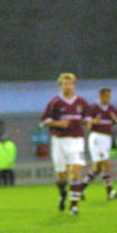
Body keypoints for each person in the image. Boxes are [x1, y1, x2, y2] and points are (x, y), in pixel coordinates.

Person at [40, 73, 89, 215]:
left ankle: (73, 206)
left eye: (71, 83)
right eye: (65, 84)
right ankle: (62, 195)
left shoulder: (81, 102)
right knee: (61, 175)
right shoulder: (54, 102)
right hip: (59, 141)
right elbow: (43, 121)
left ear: (74, 85)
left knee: (75, 171)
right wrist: (57, 123)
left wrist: (90, 122)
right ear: (60, 85)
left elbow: (88, 118)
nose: (68, 86)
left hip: (76, 141)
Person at [83, 87, 117, 200]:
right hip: (97, 137)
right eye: (107, 96)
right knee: (106, 163)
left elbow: (116, 123)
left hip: (107, 139)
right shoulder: (93, 107)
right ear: (101, 96)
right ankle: (110, 192)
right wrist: (93, 121)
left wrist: (115, 120)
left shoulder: (111, 108)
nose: (109, 99)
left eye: (110, 96)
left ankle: (79, 189)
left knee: (97, 169)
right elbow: (87, 124)